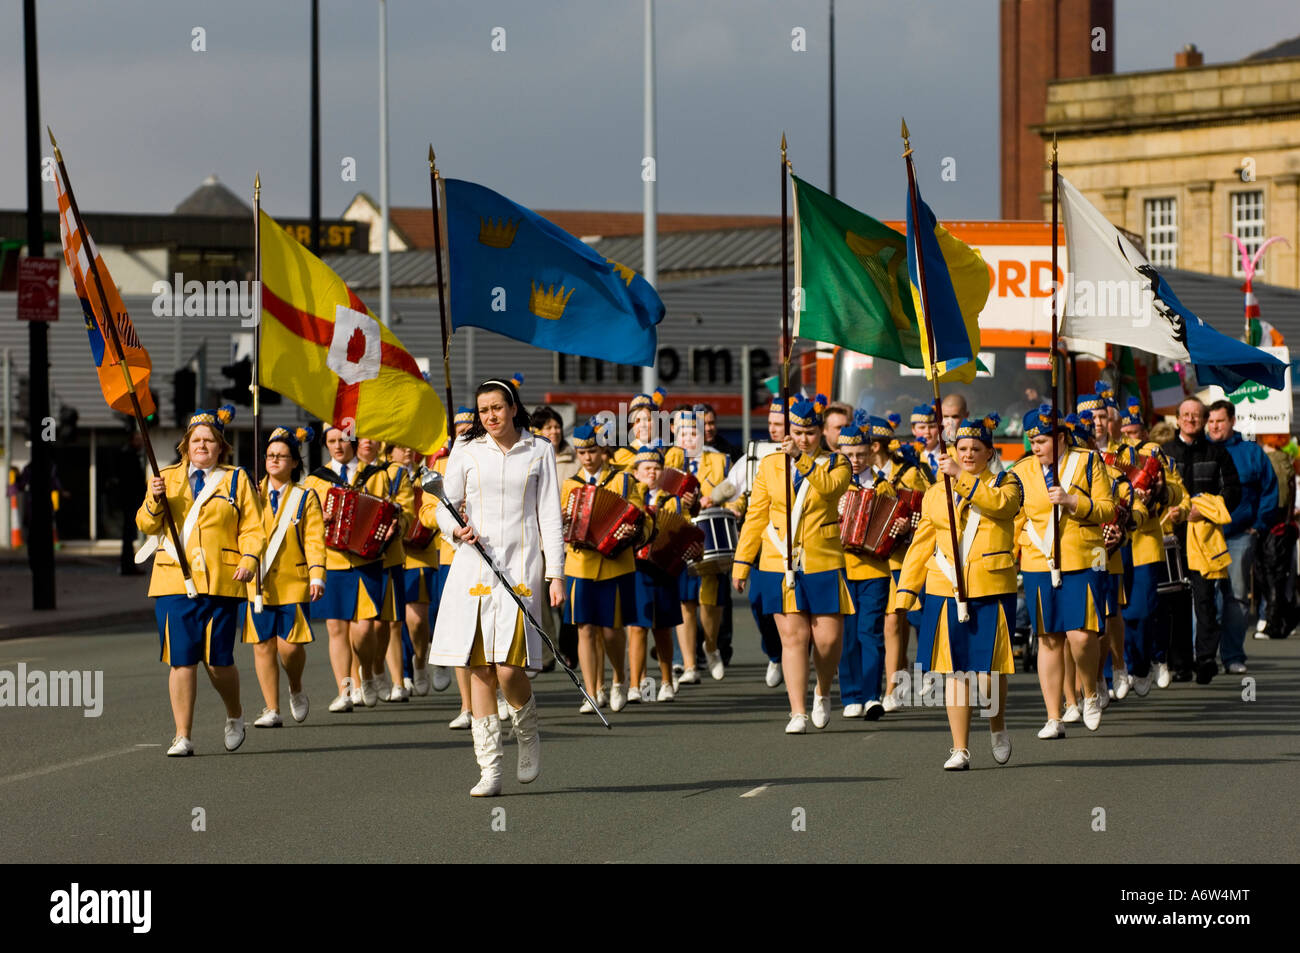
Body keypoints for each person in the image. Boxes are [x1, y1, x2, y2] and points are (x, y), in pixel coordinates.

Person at [426, 377, 564, 797]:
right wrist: (455, 528)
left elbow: (551, 517)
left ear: (513, 407)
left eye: (498, 408)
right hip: (474, 568)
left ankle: (527, 734)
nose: (491, 416)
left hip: (520, 571)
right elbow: (441, 506)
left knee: (509, 669)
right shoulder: (465, 451)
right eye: (484, 409)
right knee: (480, 671)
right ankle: (490, 769)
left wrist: (555, 573)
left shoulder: (539, 450)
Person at [136, 405, 265, 756]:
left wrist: (250, 558)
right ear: (185, 445)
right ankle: (183, 735)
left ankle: (235, 713)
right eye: (196, 440)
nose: (202, 445)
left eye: (209, 440)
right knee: (181, 659)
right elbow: (148, 526)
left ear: (221, 446)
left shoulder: (236, 479)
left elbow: (253, 529)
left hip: (222, 580)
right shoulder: (167, 477)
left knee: (218, 660)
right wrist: (154, 500)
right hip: (174, 580)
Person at [896, 414, 1021, 769]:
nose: (968, 454)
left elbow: (1001, 507)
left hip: (991, 586)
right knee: (955, 671)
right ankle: (960, 748)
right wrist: (906, 591)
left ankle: (997, 724)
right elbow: (921, 545)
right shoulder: (936, 494)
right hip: (944, 587)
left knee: (988, 673)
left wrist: (961, 479)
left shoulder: (1006, 483)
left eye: (975, 449)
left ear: (988, 452)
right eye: (962, 448)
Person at [732, 394, 852, 733]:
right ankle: (796, 710)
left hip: (822, 560)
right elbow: (756, 516)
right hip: (778, 561)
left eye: (810, 433)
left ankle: (823, 691)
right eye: (797, 432)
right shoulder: (771, 464)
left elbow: (829, 490)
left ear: (821, 434)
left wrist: (802, 459)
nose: (803, 438)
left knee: (827, 640)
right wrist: (742, 564)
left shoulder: (836, 463)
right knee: (793, 638)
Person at [1010, 404, 1114, 738]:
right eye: (1031, 440)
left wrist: (1072, 502)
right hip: (1039, 560)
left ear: (1060, 437)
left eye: (1040, 439)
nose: (1035, 446)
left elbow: (1107, 509)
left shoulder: (1087, 461)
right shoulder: (1022, 469)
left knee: (1081, 637)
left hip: (1083, 557)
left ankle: (1091, 692)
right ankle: (1053, 716)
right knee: (1049, 639)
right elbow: (1013, 514)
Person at [303, 423, 400, 711]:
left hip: (368, 559)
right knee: (335, 627)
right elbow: (308, 523)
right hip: (332, 561)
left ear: (354, 442)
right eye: (331, 440)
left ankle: (367, 674)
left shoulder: (376, 475)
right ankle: (344, 689)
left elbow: (394, 511)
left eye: (343, 440)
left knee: (364, 630)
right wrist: (323, 520)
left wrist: (392, 525)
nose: (337, 445)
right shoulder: (316, 481)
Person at [562, 421, 649, 713]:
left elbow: (643, 520)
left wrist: (633, 532)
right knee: (584, 628)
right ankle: (591, 691)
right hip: (579, 565)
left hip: (615, 565)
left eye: (593, 451)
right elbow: (558, 523)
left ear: (605, 451)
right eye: (582, 451)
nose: (587, 457)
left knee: (612, 630)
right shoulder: (570, 485)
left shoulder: (623, 481)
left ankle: (619, 680)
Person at [244, 426, 324, 728]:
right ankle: (271, 708)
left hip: (294, 580)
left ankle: (295, 686)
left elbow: (315, 538)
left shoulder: (305, 497)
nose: (274, 460)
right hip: (259, 582)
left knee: (290, 646)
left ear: (294, 462)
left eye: (282, 455)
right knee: (263, 644)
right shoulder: (252, 493)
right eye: (270, 455)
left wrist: (317, 575)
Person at [1161, 397, 1242, 684]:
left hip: (1205, 536)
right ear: (1178, 418)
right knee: (1176, 602)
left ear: (1205, 419)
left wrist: (1205, 511)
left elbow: (1233, 491)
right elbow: (1155, 490)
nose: (1191, 419)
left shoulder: (1218, 453)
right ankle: (1180, 663)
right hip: (1172, 538)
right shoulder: (1165, 452)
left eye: (1196, 415)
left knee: (1206, 599)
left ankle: (1206, 659)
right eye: (1186, 415)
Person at [1115, 398, 1185, 693]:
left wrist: (1159, 491)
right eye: (1127, 432)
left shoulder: (1156, 453)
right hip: (1112, 539)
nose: (1133, 437)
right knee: (1116, 610)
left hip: (1145, 537)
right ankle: (1125, 667)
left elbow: (1178, 491)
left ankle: (1149, 661)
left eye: (1137, 432)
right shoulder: (1103, 454)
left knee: (1144, 608)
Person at [1206, 399, 1278, 675]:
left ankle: (1233, 655)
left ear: (1232, 421)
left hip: (1239, 536)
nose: (1214, 426)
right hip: (1203, 537)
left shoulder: (1251, 452)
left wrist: (1258, 525)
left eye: (1219, 421)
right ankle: (1202, 655)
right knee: (1203, 596)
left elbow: (1269, 489)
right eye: (1210, 421)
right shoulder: (1200, 450)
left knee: (1236, 595)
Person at [835, 421, 897, 720]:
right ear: (840, 453)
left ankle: (873, 695)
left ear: (871, 453)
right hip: (841, 567)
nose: (856, 460)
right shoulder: (834, 485)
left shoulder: (883, 485)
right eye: (850, 454)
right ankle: (851, 695)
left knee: (870, 633)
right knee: (847, 636)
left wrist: (900, 526)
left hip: (875, 569)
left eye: (861, 453)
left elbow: (894, 523)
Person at [664, 407, 730, 682]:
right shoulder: (669, 461)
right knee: (684, 602)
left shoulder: (718, 460)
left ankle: (711, 645)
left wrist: (726, 503)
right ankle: (690, 665)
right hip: (678, 536)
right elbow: (660, 498)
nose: (689, 438)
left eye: (694, 432)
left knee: (709, 603)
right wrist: (679, 500)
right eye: (683, 433)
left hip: (709, 537)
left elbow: (734, 491)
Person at [626, 445, 688, 702]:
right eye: (646, 469)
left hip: (663, 569)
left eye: (656, 468)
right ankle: (634, 685)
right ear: (636, 472)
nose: (651, 473)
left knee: (663, 627)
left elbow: (679, 531)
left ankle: (666, 681)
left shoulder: (672, 500)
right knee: (638, 627)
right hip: (637, 569)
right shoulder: (629, 499)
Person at [388, 443, 439, 695]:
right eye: (399, 447)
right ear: (389, 452)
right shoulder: (382, 476)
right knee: (395, 620)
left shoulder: (427, 474)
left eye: (410, 446)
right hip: (391, 554)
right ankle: (403, 672)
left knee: (416, 620)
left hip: (420, 552)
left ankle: (420, 660)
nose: (407, 450)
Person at [113, 427, 146, 575]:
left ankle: (127, 565)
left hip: (130, 499)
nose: (141, 443)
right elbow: (132, 480)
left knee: (129, 535)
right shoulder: (129, 456)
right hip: (130, 500)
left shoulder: (129, 455)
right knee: (128, 534)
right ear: (132, 441)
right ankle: (127, 566)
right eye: (138, 440)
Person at [612, 388, 667, 471]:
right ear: (631, 426)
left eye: (648, 419)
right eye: (637, 421)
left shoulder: (670, 453)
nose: (643, 425)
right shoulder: (619, 457)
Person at [910, 404, 942, 478]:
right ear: (913, 430)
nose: (927, 431)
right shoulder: (907, 456)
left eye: (932, 427)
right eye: (922, 427)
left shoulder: (954, 453)